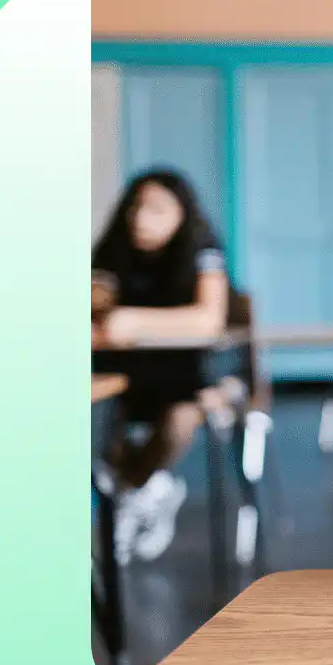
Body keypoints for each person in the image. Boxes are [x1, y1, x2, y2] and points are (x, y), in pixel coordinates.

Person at [91, 168, 231, 563]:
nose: (141, 218)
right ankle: (144, 490)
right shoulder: (112, 249)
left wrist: (133, 321)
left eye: (157, 209)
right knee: (93, 416)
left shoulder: (202, 249)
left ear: (181, 214)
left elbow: (209, 319)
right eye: (136, 207)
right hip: (125, 377)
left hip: (186, 378)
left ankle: (131, 491)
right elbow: (95, 305)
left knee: (182, 419)